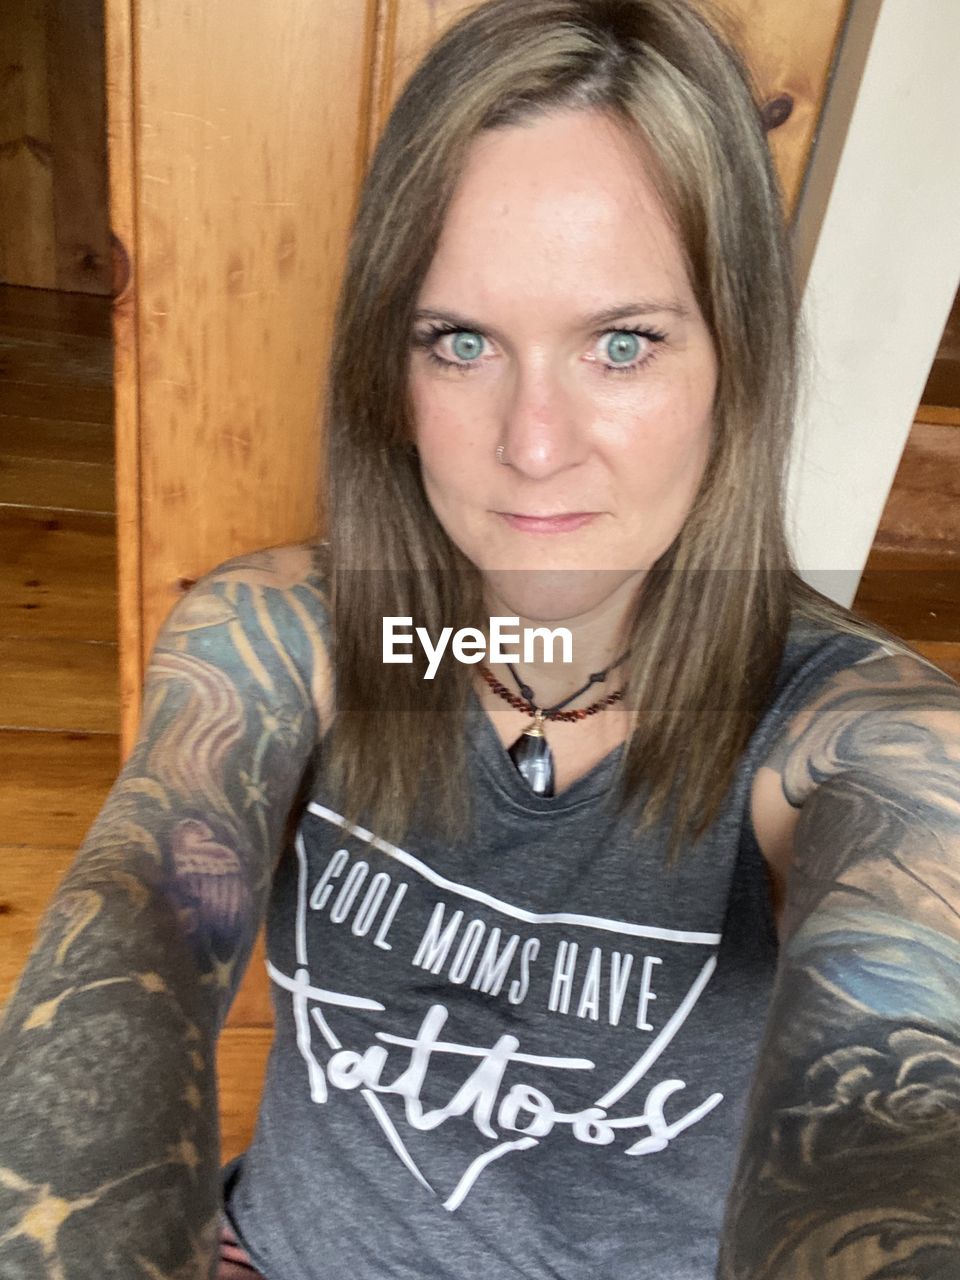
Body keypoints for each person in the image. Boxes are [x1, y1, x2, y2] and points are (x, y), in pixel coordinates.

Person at [1, 0, 958, 1277]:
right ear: (386, 371)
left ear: (739, 360)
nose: (534, 445)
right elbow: (137, 936)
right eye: (461, 342)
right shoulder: (340, 646)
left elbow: (894, 1096)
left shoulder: (846, 739)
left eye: (623, 344)